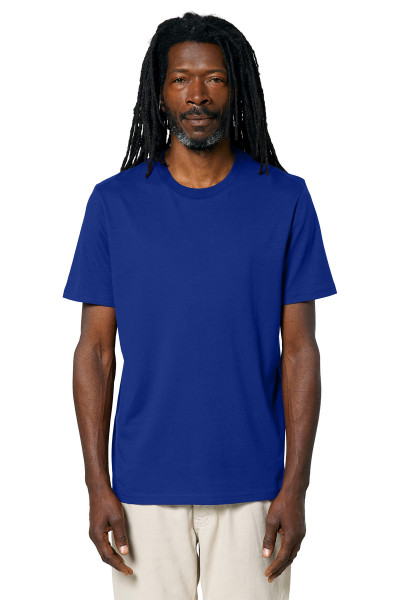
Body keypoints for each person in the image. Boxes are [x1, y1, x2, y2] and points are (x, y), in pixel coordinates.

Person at [62, 11, 337, 600]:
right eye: (181, 79)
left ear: (236, 88)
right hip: (140, 490)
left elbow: (300, 352)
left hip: (256, 488)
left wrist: (296, 487)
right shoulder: (113, 204)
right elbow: (95, 353)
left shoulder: (285, 199)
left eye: (214, 78)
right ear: (159, 92)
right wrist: (95, 485)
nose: (198, 95)